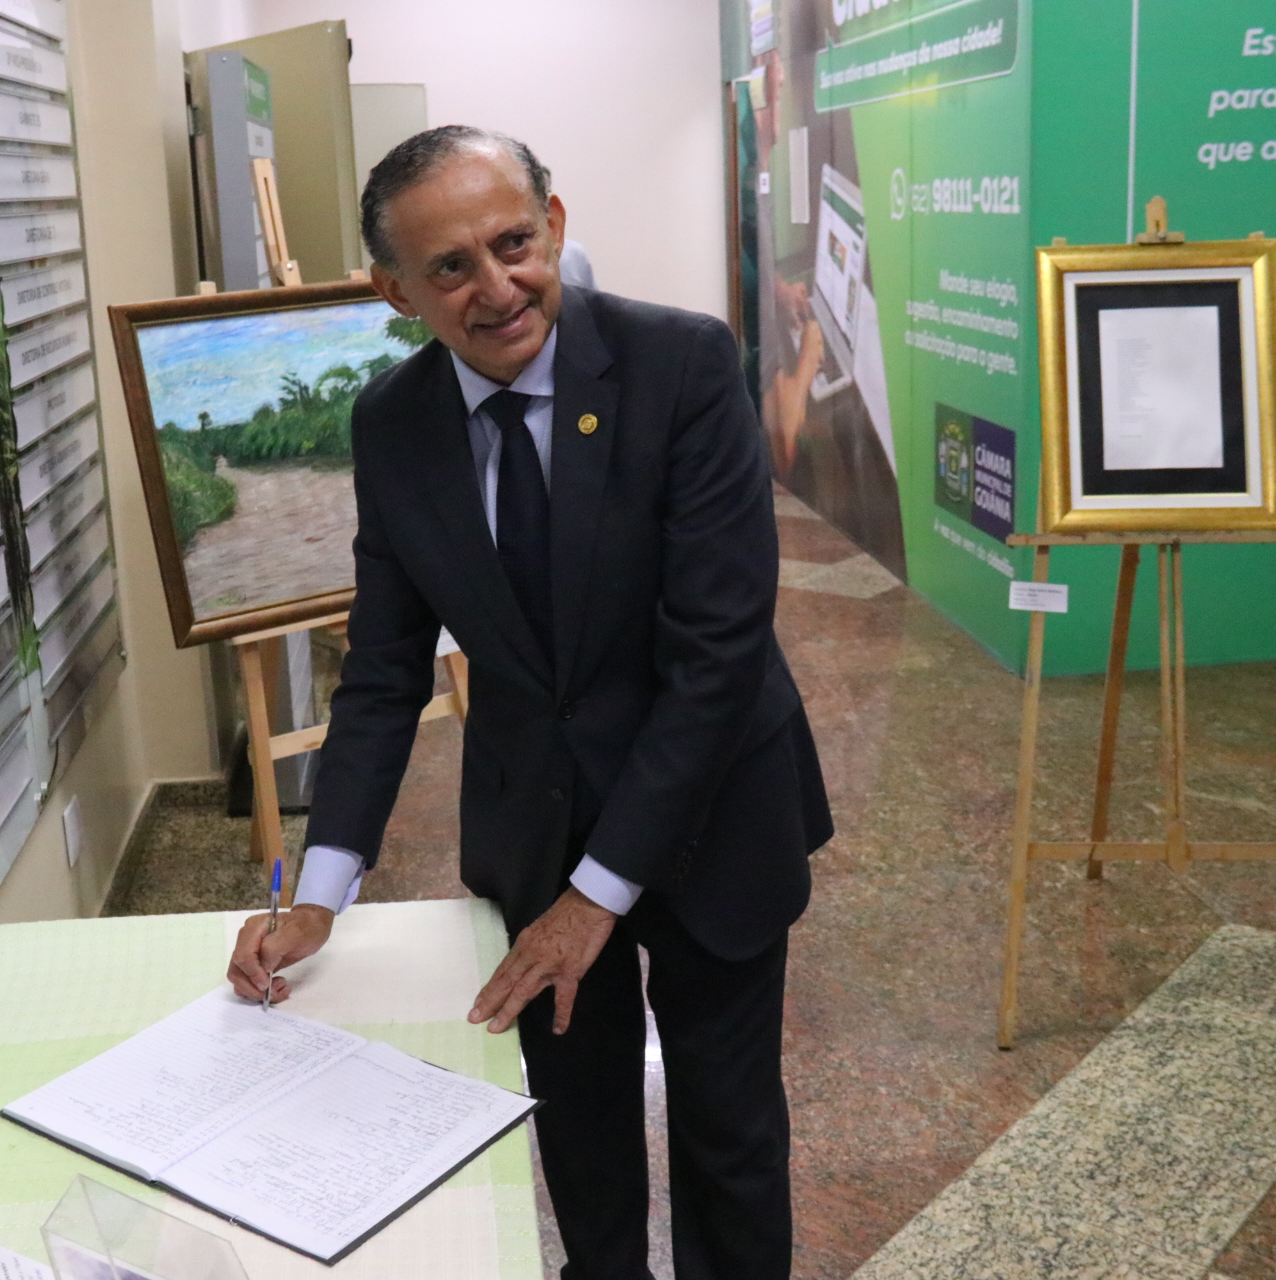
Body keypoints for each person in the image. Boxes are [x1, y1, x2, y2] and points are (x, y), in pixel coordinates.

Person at [227, 125, 832, 1280]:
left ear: (553, 226)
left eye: (513, 244)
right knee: (579, 1129)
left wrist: (594, 899)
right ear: (395, 291)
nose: (497, 288)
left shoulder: (682, 365)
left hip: (715, 809)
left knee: (728, 1128)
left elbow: (716, 655)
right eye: (450, 267)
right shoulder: (393, 422)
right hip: (536, 821)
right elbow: (385, 666)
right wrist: (318, 894)